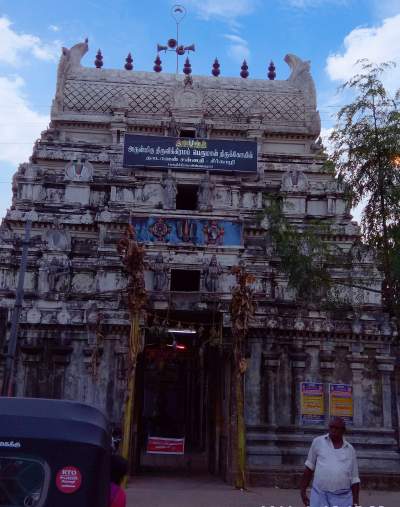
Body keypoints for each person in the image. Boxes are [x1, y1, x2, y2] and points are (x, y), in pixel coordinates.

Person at [300, 416, 360, 507]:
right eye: (331, 427)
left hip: (342, 498)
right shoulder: (318, 442)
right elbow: (309, 468)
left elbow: (355, 479)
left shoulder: (350, 449)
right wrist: (303, 491)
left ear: (343, 431)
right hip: (319, 495)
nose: (333, 430)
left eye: (336, 428)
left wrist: (355, 502)